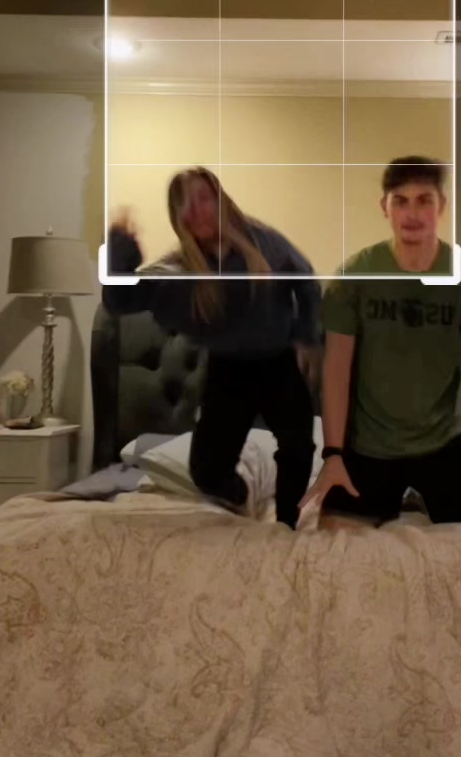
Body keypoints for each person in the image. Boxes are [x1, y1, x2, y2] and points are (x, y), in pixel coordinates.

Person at [300, 155, 461, 529]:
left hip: (443, 442)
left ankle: (424, 494)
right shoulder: (354, 277)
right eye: (401, 201)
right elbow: (336, 370)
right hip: (369, 445)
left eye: (424, 200)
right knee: (334, 537)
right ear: (384, 207)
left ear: (441, 206)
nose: (412, 213)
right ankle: (401, 494)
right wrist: (333, 454)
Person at [103, 167, 321, 529]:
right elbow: (119, 300)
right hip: (228, 371)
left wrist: (306, 336)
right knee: (206, 470)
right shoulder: (178, 272)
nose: (197, 210)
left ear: (220, 202)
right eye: (185, 204)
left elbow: (306, 280)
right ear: (177, 216)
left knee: (299, 445)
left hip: (278, 363)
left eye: (204, 198)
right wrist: (120, 248)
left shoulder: (264, 243)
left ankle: (286, 524)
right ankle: (241, 498)